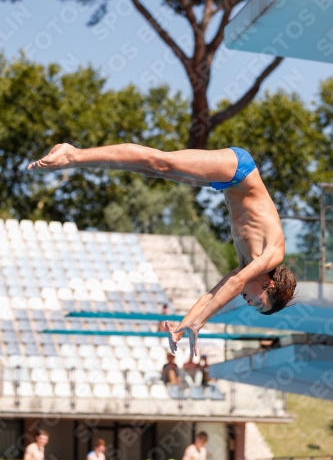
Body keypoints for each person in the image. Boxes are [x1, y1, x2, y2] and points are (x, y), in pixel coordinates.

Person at [27, 143, 297, 357]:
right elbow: (235, 285)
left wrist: (183, 326)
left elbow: (210, 295)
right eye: (258, 303)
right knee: (160, 163)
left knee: (154, 168)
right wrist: (200, 322)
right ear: (269, 284)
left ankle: (74, 155)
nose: (249, 303)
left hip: (230, 181)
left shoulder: (245, 263)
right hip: (239, 169)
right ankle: (72, 154)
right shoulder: (272, 254)